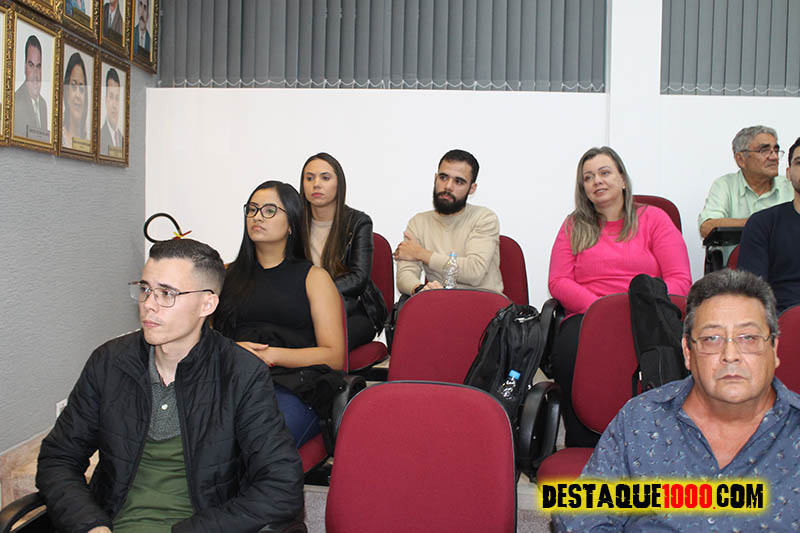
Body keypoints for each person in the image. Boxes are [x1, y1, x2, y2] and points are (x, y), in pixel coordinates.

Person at [36, 238, 304, 532]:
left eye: (167, 293)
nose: (149, 305)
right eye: (145, 289)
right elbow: (58, 459)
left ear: (207, 304)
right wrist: (90, 525)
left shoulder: (240, 374)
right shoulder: (109, 363)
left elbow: (281, 487)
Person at [553, 269, 800, 532]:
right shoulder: (641, 419)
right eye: (712, 339)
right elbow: (581, 520)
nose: (730, 355)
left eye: (748, 338)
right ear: (688, 352)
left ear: (773, 349)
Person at [548, 146, 691, 447]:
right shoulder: (574, 225)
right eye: (588, 177)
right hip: (588, 316)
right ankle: (583, 443)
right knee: (567, 349)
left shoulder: (654, 219)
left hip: (648, 314)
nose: (597, 181)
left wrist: (640, 308)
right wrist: (601, 310)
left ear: (623, 179)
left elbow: (680, 280)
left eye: (604, 173)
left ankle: (659, 441)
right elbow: (559, 281)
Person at [214, 181, 346, 448]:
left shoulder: (314, 278)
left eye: (269, 210)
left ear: (291, 224)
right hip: (230, 380)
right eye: (252, 209)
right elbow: (202, 339)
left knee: (258, 441)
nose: (257, 217)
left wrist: (270, 355)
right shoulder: (225, 275)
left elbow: (334, 356)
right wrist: (232, 351)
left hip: (292, 386)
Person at [299, 152, 386, 350]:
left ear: (339, 184)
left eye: (325, 178)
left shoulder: (358, 222)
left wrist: (316, 292)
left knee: (317, 342)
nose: (316, 184)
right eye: (309, 178)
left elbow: (358, 278)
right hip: (305, 309)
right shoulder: (293, 223)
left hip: (354, 309)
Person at [394, 148, 503, 295]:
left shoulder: (484, 218)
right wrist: (419, 289)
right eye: (443, 177)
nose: (448, 186)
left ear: (472, 188)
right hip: (438, 302)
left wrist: (421, 253)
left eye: (458, 181)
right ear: (435, 178)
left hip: (483, 303)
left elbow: (474, 272)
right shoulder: (418, 222)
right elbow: (405, 273)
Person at [698, 125, 793, 262]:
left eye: (776, 150)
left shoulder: (790, 186)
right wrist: (759, 223)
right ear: (741, 159)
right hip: (739, 272)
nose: (774, 157)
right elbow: (707, 227)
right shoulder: (725, 185)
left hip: (787, 268)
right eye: (764, 150)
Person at [738, 137, 800, 313]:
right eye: (799, 162)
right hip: (782, 319)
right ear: (788, 174)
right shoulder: (762, 224)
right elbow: (752, 294)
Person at [13, 35, 48, 139]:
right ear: (25, 67)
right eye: (31, 65)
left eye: (38, 66)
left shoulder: (43, 105)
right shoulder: (15, 102)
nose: (35, 74)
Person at [61, 52, 88, 150]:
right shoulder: (59, 138)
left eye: (81, 89)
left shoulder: (89, 143)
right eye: (73, 86)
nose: (78, 95)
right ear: (66, 92)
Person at [100, 68, 123, 155]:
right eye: (111, 97)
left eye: (117, 98)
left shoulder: (123, 140)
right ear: (106, 99)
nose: (114, 105)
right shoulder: (100, 137)